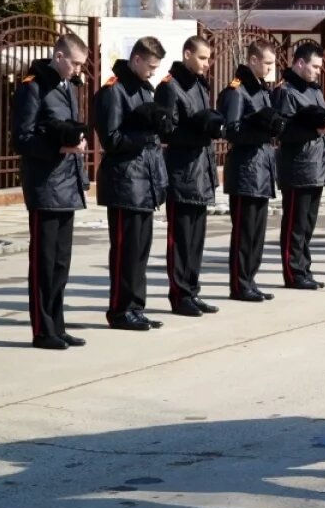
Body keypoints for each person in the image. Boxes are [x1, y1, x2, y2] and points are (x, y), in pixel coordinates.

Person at [12, 34, 91, 349]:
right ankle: (42, 330)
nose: (76, 70)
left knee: (60, 262)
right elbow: (21, 138)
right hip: (45, 186)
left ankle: (57, 325)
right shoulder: (33, 87)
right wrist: (61, 146)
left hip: (67, 185)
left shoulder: (68, 86)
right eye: (74, 63)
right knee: (44, 263)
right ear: (59, 56)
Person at [95, 38, 171, 331]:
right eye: (150, 66)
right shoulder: (114, 91)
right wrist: (143, 132)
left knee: (140, 251)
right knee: (125, 250)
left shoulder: (143, 89)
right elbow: (111, 139)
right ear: (136, 59)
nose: (153, 72)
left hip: (144, 181)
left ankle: (136, 307)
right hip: (124, 181)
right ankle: (119, 310)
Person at [155, 36, 223, 317]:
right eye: (202, 58)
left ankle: (192, 291)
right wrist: (198, 129)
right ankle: (180, 294)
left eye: (208, 59)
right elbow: (166, 132)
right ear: (187, 54)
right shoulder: (170, 87)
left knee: (196, 240)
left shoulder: (198, 84)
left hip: (201, 172)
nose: (207, 64)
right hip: (182, 173)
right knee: (181, 240)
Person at [220, 39, 283, 302]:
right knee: (244, 232)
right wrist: (259, 127)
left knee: (257, 232)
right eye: (267, 63)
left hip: (262, 168)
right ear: (253, 60)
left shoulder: (262, 91)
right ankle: (239, 283)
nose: (271, 68)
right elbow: (231, 130)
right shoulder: (238, 90)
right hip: (245, 168)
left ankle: (251, 280)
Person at [273, 42, 325, 288]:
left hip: (316, 165)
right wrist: (315, 129)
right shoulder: (285, 91)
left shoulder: (314, 91)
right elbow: (284, 131)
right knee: (295, 224)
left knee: (307, 223)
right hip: (298, 166)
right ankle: (293, 272)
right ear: (300, 63)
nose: (318, 70)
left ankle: (304, 269)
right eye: (315, 66)